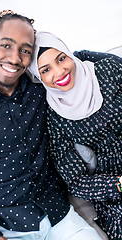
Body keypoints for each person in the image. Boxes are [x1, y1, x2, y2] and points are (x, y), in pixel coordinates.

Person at [0, 10, 103, 240]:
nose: (15, 58)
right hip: (5, 226)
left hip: (59, 216)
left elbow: (73, 58)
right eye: (6, 45)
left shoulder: (39, 85)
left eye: (25, 50)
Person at [28, 31, 122, 240]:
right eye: (46, 70)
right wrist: (118, 184)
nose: (60, 71)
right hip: (114, 190)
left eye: (61, 58)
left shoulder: (109, 70)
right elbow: (76, 181)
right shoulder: (54, 117)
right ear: (38, 76)